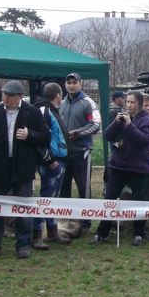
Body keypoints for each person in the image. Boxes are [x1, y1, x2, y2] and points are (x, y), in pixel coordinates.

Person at [0, 80, 50, 259]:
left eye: (9, 95)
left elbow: (45, 135)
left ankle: (23, 244)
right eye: (4, 94)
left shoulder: (31, 113)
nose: (5, 98)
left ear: (19, 97)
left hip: (22, 168)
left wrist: (29, 135)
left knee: (23, 208)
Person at [90, 91, 149, 246]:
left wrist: (129, 126)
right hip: (119, 166)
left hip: (138, 168)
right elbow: (107, 135)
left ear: (139, 104)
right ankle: (102, 233)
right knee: (110, 200)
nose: (129, 105)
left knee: (139, 201)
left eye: (132, 102)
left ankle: (139, 234)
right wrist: (117, 123)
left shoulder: (146, 121)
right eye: (128, 102)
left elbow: (144, 141)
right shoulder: (121, 117)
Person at [31, 82, 70, 247]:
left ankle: (52, 232)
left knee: (53, 198)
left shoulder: (51, 110)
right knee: (45, 199)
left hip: (59, 160)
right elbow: (40, 140)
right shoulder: (44, 111)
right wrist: (50, 160)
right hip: (51, 162)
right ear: (58, 95)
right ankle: (36, 235)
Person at [58, 72, 101, 213]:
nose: (71, 85)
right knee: (63, 189)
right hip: (64, 153)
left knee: (83, 189)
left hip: (82, 152)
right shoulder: (62, 104)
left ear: (80, 85)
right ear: (65, 85)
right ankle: (65, 219)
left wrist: (77, 133)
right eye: (69, 83)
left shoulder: (88, 103)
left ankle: (85, 221)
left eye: (74, 83)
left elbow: (95, 124)